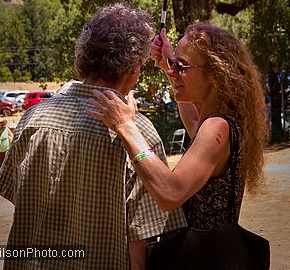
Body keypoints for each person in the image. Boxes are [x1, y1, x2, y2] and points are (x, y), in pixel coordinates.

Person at [0, 3, 186, 270]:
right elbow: (138, 243)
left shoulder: (32, 118)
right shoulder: (138, 135)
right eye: (141, 64)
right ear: (133, 67)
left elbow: (22, 199)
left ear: (82, 59)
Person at [87, 23, 267, 233]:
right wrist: (167, 62)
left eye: (181, 67)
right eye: (173, 65)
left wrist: (126, 125)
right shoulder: (218, 123)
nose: (173, 73)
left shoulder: (216, 127)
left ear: (215, 75)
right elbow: (191, 122)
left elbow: (171, 193)